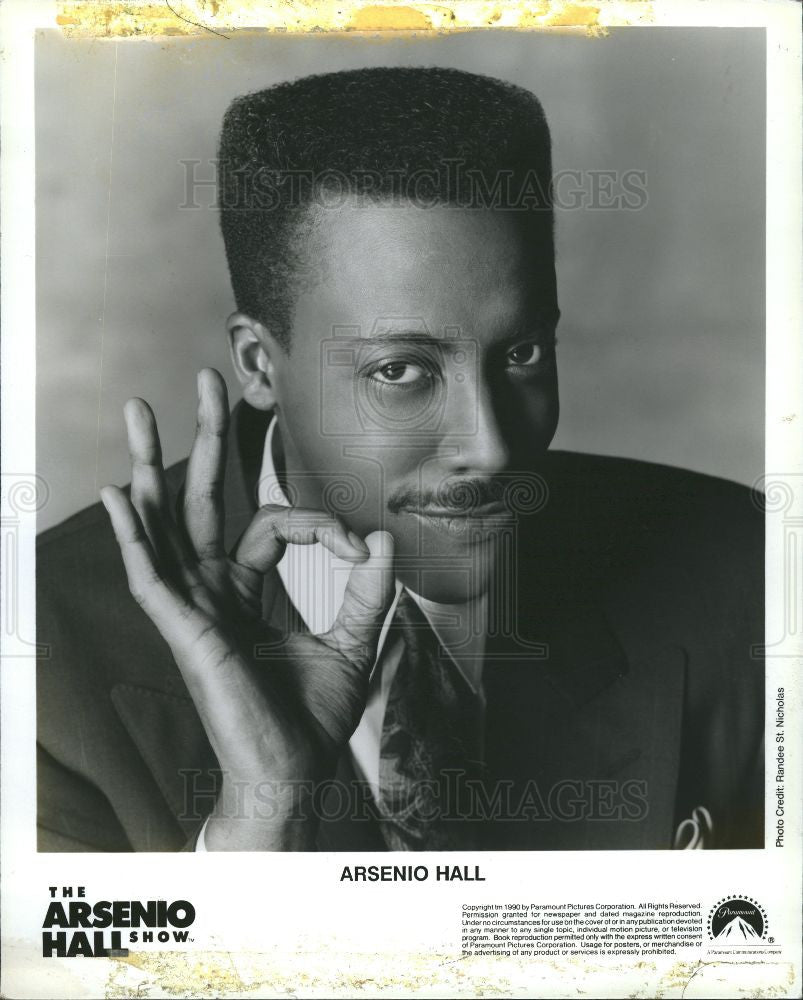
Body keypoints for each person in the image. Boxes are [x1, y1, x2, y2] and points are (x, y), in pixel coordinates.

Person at [36, 67, 764, 853]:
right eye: (400, 370)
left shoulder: (746, 569)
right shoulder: (41, 665)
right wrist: (257, 823)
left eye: (520, 352)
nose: (489, 448)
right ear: (257, 364)